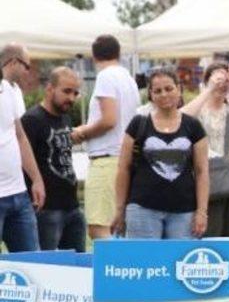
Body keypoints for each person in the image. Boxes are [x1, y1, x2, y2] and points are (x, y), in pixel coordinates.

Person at [111, 67, 209, 240]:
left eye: (169, 88)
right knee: (144, 265)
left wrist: (202, 212)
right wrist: (120, 210)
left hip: (184, 211)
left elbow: (202, 172)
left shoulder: (193, 126)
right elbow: (123, 168)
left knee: (180, 264)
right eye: (157, 91)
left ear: (179, 89)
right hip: (142, 209)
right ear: (151, 95)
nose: (164, 94)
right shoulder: (138, 124)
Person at [71, 35, 140, 240]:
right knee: (118, 227)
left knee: (99, 228)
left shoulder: (105, 77)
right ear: (118, 53)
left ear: (94, 56)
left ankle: (112, 270)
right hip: (123, 157)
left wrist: (82, 133)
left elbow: (109, 120)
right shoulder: (129, 79)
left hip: (106, 159)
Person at [183, 62, 229, 237]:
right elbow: (183, 118)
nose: (221, 84)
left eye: (226, 80)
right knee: (210, 229)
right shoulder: (199, 111)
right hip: (205, 173)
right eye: (217, 79)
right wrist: (209, 89)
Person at [21, 67, 86, 251]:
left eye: (75, 93)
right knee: (47, 267)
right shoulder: (32, 120)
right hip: (47, 209)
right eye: (66, 91)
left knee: (78, 267)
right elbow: (24, 161)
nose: (72, 98)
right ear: (49, 88)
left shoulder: (65, 118)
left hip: (72, 206)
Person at [0, 43, 44, 252]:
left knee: (32, 263)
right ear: (14, 62)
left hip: (18, 193)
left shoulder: (11, 91)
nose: (29, 71)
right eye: (27, 66)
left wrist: (36, 179)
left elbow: (20, 136)